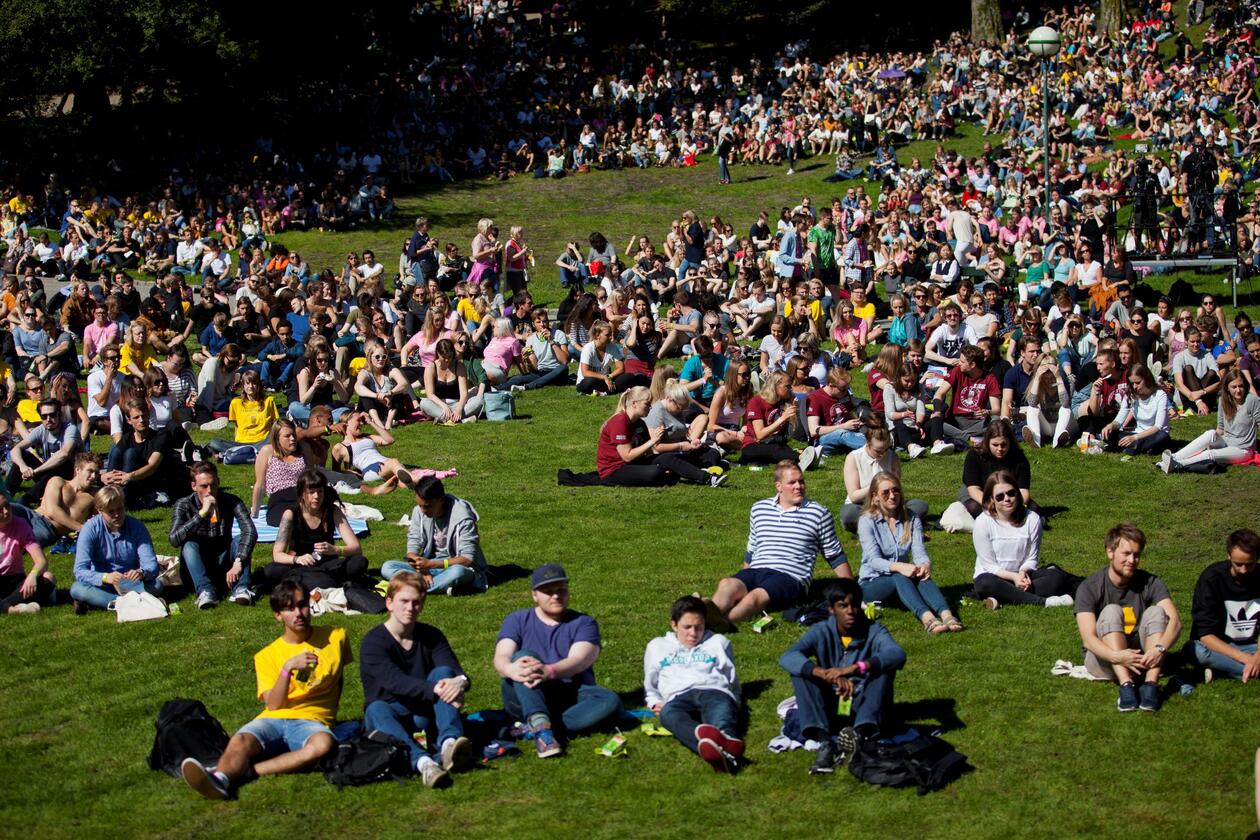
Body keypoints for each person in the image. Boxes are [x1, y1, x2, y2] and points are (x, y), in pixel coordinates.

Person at [180, 579, 347, 800]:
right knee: (240, 741)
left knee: (323, 745)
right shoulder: (267, 655)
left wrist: (330, 714)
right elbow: (274, 704)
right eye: (289, 608)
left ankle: (248, 772)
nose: (298, 613)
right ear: (278, 615)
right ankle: (220, 779)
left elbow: (340, 680)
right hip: (274, 718)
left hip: (313, 721)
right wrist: (287, 669)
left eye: (302, 605)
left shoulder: (336, 637)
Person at [359, 571, 475, 789]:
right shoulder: (373, 643)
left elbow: (456, 671)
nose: (410, 608)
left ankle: (450, 745)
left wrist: (460, 683)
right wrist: (440, 691)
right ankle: (424, 764)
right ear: (389, 603)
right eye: (404, 601)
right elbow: (395, 682)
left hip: (424, 713)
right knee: (375, 708)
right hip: (390, 717)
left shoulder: (431, 635)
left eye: (416, 602)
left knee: (444, 674)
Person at [493, 563, 622, 758]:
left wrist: (548, 671)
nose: (556, 595)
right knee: (523, 657)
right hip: (526, 691)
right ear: (535, 595)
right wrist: (511, 669)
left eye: (561, 589)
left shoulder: (584, 623)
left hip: (567, 692)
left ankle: (539, 728)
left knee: (609, 699)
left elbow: (579, 660)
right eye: (548, 591)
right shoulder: (517, 619)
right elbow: (502, 656)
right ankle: (540, 725)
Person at [778, 578, 906, 774]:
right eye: (843, 606)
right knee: (801, 672)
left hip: (863, 701)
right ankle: (825, 742)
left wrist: (855, 668)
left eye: (854, 605)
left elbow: (897, 654)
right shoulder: (821, 631)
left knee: (884, 668)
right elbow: (788, 656)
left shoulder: (874, 630)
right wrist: (823, 673)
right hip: (832, 701)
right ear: (831, 609)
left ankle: (860, 735)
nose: (850, 611)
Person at [706, 461, 851, 626]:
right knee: (727, 584)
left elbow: (834, 555)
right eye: (792, 482)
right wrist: (745, 580)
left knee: (754, 598)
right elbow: (751, 549)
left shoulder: (818, 513)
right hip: (756, 570)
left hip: (790, 577)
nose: (799, 486)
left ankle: (720, 624)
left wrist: (852, 590)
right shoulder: (759, 509)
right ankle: (708, 613)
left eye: (801, 481)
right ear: (779, 486)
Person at [1074, 524, 1182, 712]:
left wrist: (1160, 649)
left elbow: (1176, 621)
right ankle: (1126, 687)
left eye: (1137, 555)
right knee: (1111, 611)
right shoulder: (1089, 587)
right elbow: (1089, 639)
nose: (1132, 560)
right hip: (1104, 659)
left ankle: (1150, 686)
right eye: (1126, 554)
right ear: (1110, 552)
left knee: (1157, 612)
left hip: (1141, 657)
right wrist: (1118, 656)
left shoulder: (1150, 582)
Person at [643, 595, 744, 773]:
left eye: (699, 627)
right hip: (677, 695)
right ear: (674, 625)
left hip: (713, 689)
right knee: (669, 716)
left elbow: (731, 678)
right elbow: (650, 682)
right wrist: (653, 701)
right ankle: (724, 751)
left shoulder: (718, 642)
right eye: (687, 627)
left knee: (721, 716)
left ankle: (723, 742)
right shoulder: (657, 646)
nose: (693, 633)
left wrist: (734, 700)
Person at [858, 472, 963, 633]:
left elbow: (919, 551)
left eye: (896, 490)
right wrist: (899, 566)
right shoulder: (867, 521)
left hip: (902, 579)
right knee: (901, 574)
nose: (892, 496)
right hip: (872, 582)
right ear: (875, 497)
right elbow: (873, 561)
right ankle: (928, 618)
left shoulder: (911, 518)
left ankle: (947, 614)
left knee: (920, 574)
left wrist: (924, 565)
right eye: (885, 492)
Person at [971, 471, 1080, 608]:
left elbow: (1032, 557)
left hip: (1023, 576)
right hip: (994, 576)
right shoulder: (983, 522)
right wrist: (1013, 577)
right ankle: (1043, 602)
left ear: (1017, 493)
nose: (1007, 499)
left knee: (1055, 577)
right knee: (984, 583)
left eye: (1011, 493)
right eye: (999, 497)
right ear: (991, 499)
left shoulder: (1032, 519)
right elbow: (989, 565)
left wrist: (1022, 573)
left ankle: (1003, 597)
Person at [169, 462, 258, 609]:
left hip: (224, 560)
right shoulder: (184, 504)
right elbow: (174, 539)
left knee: (240, 540)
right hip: (197, 565)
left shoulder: (231, 501)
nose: (209, 491)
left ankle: (241, 588)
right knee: (189, 545)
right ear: (194, 486)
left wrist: (239, 560)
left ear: (219, 482)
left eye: (213, 485)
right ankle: (205, 591)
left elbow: (250, 531)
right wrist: (201, 514)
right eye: (204, 486)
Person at [379, 477, 489, 595]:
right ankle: (438, 585)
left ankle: (411, 586)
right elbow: (413, 543)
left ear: (441, 500)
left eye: (427, 506)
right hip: (429, 565)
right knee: (388, 567)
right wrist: (422, 570)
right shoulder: (419, 511)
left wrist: (431, 564)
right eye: (420, 505)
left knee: (458, 573)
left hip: (455, 566)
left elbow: (467, 559)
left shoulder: (463, 518)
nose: (422, 510)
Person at [265, 469, 366, 589]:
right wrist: (297, 559)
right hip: (299, 566)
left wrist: (335, 549)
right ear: (302, 494)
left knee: (359, 562)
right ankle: (324, 581)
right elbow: (277, 554)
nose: (316, 496)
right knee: (271, 569)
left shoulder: (333, 511)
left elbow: (356, 548)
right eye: (311, 492)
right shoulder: (290, 513)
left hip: (328, 564)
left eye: (320, 492)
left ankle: (306, 582)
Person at [69, 486, 162, 612]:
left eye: (120, 509)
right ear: (100, 510)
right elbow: (80, 570)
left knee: (157, 585)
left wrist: (141, 573)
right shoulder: (89, 529)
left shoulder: (137, 527)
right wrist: (105, 577)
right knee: (77, 588)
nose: (117, 515)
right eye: (111, 512)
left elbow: (151, 563)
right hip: (102, 584)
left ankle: (109, 602)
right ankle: (128, 602)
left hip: (131, 583)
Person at [1191, 529, 1260, 683]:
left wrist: (1258, 657)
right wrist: (1246, 659)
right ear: (1229, 555)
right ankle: (1246, 671)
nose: (1243, 570)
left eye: (1249, 564)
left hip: (1251, 646)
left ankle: (1221, 669)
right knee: (1195, 650)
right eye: (1238, 564)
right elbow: (1205, 635)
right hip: (1218, 647)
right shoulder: (1212, 579)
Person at [1163, 369, 1260, 473]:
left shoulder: (1252, 400)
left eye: (1240, 386)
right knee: (1210, 433)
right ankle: (1173, 457)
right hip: (1226, 441)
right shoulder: (1223, 400)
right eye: (1234, 387)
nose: (1238, 390)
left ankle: (1177, 464)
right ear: (1227, 388)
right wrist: (1208, 442)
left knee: (1210, 454)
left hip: (1243, 449)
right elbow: (1220, 428)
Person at [839, 423, 928, 532]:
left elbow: (896, 490)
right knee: (849, 514)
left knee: (920, 506)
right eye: (878, 451)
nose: (882, 454)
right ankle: (894, 525)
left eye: (886, 449)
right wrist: (877, 488)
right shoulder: (854, 458)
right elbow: (854, 496)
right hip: (863, 505)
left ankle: (877, 526)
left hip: (888, 505)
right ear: (867, 443)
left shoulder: (892, 457)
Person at [6, 397, 80, 502]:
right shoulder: (41, 429)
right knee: (23, 454)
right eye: (44, 416)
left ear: (60, 415)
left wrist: (36, 471)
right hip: (48, 472)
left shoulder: (70, 429)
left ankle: (25, 500)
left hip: (70, 476)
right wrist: (23, 467)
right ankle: (6, 496)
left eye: (52, 415)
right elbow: (15, 449)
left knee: (61, 464)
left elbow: (64, 454)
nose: (48, 419)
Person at [929, 345, 999, 451]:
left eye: (962, 361)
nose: (958, 363)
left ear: (972, 365)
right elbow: (939, 394)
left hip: (977, 422)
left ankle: (960, 437)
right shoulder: (957, 371)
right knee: (933, 422)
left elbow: (997, 409)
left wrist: (987, 412)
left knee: (997, 421)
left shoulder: (990, 378)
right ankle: (971, 438)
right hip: (955, 421)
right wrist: (937, 410)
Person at [31, 451, 101, 546]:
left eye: (96, 473)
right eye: (90, 471)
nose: (94, 476)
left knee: (16, 542)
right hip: (32, 516)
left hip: (47, 528)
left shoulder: (95, 495)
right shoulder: (57, 481)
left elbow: (98, 520)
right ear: (78, 470)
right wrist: (81, 528)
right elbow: (52, 511)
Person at [0, 494, 54, 614]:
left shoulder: (20, 525)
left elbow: (41, 561)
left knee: (48, 577)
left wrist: (33, 575)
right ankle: (12, 609)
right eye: (0, 509)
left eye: (7, 506)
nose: (6, 512)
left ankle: (7, 605)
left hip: (14, 580)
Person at [1102, 364, 1170, 455]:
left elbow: (1158, 427)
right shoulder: (1130, 394)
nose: (1134, 386)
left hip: (1154, 434)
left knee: (1162, 436)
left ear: (1147, 379)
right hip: (1137, 433)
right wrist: (1111, 425)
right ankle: (1140, 448)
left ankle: (1132, 447)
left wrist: (1134, 438)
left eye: (1138, 383)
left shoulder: (1160, 395)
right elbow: (1119, 419)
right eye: (1132, 383)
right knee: (1110, 434)